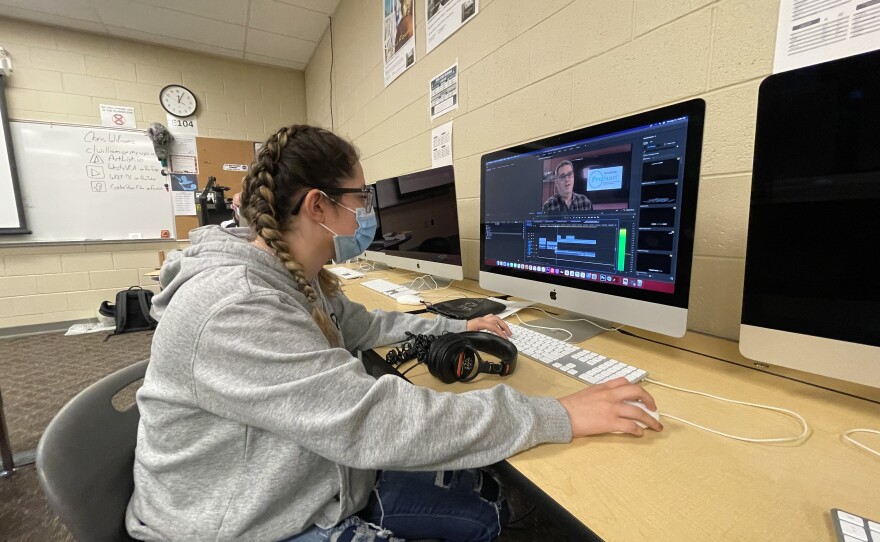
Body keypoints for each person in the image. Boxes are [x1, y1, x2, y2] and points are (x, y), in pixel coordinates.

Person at [126, 125, 661, 542]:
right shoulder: (237, 304)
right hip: (235, 523)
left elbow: (363, 325)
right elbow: (374, 420)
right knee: (484, 504)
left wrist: (458, 325)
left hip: (302, 474)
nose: (367, 213)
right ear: (318, 205)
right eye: (360, 199)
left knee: (486, 501)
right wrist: (559, 413)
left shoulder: (292, 275)